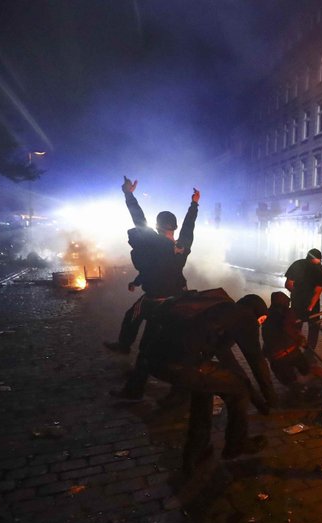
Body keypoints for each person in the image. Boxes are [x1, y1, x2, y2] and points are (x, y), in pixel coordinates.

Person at [120, 289, 278, 472]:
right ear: (256, 312)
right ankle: (237, 444)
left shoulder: (219, 310)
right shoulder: (244, 316)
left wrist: (258, 400)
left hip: (155, 360)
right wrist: (271, 399)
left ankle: (195, 454)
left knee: (205, 390)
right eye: (262, 319)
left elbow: (226, 357)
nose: (260, 324)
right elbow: (256, 360)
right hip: (183, 365)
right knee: (240, 390)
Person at [105, 176, 199, 354]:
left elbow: (138, 217)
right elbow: (189, 226)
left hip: (156, 296)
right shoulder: (183, 245)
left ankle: (124, 345)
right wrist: (194, 204)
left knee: (131, 314)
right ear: (174, 228)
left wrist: (128, 194)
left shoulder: (153, 242)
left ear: (157, 226)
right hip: (178, 294)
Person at [262, 292, 315, 400]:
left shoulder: (267, 316)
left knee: (295, 381)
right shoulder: (287, 313)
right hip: (288, 354)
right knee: (304, 378)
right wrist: (302, 342)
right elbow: (289, 329)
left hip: (277, 358)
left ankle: (298, 389)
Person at [284, 248, 322, 351]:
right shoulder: (303, 266)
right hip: (303, 303)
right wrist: (309, 305)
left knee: (302, 326)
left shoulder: (299, 264)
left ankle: (298, 350)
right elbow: (318, 291)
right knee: (307, 326)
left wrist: (309, 304)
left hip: (303, 302)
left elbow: (288, 284)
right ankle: (302, 350)